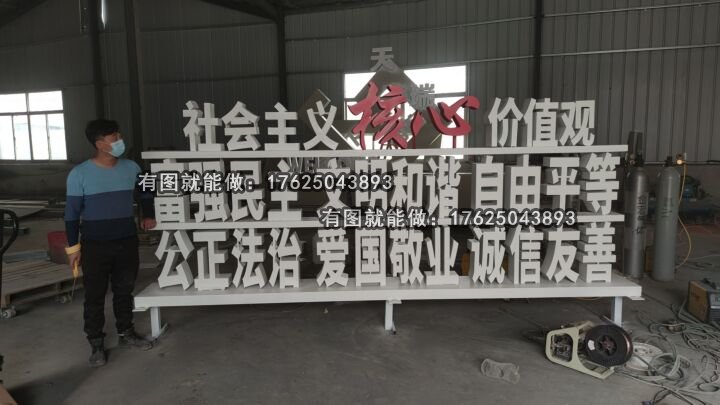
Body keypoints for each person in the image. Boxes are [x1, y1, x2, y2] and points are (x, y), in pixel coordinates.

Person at [64, 119, 156, 367]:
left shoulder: (132, 167)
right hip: (95, 244)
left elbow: (146, 191)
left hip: (126, 240)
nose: (119, 141)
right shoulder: (79, 174)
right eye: (114, 137)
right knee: (94, 295)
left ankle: (126, 332)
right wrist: (73, 248)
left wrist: (148, 214)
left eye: (119, 136)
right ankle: (96, 343)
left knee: (124, 289)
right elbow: (71, 214)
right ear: (99, 144)